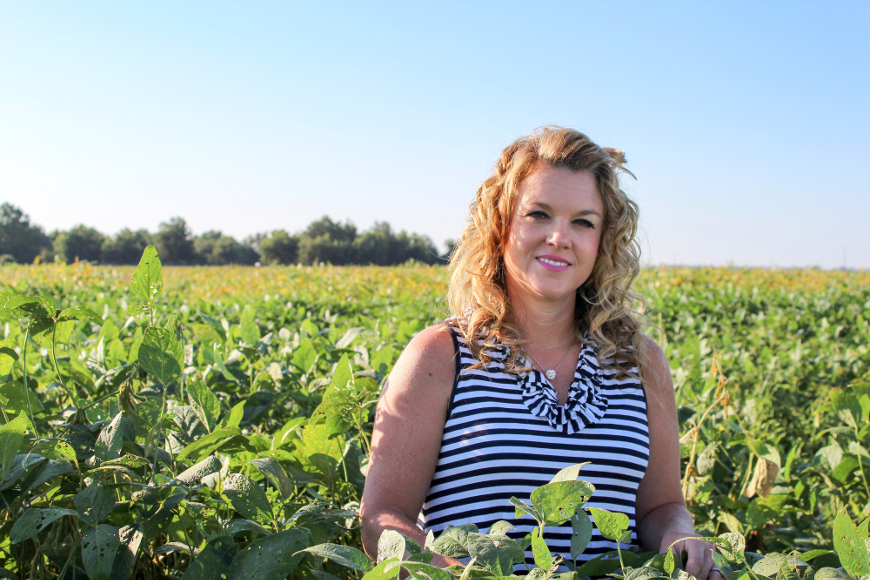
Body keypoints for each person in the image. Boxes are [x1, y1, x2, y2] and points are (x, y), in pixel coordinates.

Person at [359, 127, 719, 578]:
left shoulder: (640, 362)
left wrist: (681, 537)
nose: (559, 237)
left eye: (583, 222)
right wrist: (450, 574)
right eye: (539, 214)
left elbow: (662, 507)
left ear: (603, 240)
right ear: (501, 223)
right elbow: (382, 520)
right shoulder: (441, 355)